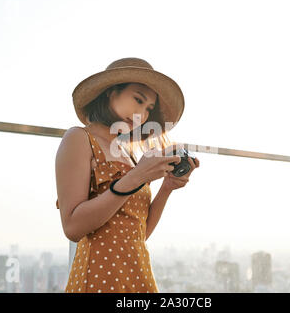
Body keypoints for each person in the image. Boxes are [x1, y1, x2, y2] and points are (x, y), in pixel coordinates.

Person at [55, 57, 200, 293]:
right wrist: (136, 177)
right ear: (111, 92)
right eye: (138, 99)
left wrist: (166, 188)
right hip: (98, 276)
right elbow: (72, 226)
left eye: (148, 109)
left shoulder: (128, 153)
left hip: (137, 274)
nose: (141, 114)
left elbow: (138, 234)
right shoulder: (79, 138)